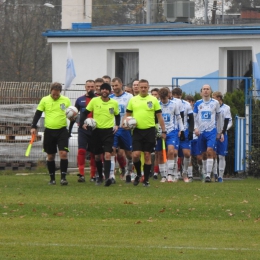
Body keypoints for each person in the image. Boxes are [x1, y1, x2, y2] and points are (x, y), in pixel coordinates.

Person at [123, 79, 167, 187]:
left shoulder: (153, 100)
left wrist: (164, 130)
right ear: (137, 87)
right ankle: (138, 174)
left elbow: (159, 116)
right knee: (135, 155)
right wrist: (124, 124)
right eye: (141, 87)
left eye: (145, 87)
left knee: (147, 155)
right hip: (137, 131)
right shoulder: (133, 100)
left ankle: (146, 180)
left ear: (148, 87)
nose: (143, 89)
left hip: (150, 131)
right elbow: (127, 114)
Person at [79, 83, 120, 187]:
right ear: (100, 91)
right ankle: (100, 177)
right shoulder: (94, 101)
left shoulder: (114, 103)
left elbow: (117, 115)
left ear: (110, 91)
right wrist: (82, 123)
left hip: (108, 132)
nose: (105, 91)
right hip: (96, 131)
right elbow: (84, 112)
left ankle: (107, 178)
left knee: (107, 154)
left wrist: (117, 125)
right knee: (97, 156)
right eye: (103, 89)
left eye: (107, 89)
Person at [30, 82, 72, 185]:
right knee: (50, 156)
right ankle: (52, 179)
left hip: (62, 130)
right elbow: (38, 113)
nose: (55, 96)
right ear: (50, 91)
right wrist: (33, 126)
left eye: (57, 94)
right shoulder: (44, 100)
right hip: (49, 131)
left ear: (60, 93)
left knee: (63, 153)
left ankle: (63, 178)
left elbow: (70, 113)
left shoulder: (66, 100)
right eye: (54, 94)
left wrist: (72, 118)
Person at [68, 80, 97, 183]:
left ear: (95, 87)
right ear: (85, 87)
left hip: (95, 130)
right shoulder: (80, 100)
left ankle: (93, 175)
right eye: (88, 86)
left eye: (92, 86)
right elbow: (73, 115)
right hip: (83, 129)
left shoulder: (98, 99)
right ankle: (81, 174)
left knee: (94, 153)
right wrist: (69, 131)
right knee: (81, 151)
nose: (90, 88)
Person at [193, 84, 222, 183]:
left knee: (210, 151)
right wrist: (195, 128)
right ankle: (204, 172)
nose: (205, 91)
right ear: (201, 92)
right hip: (201, 132)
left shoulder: (215, 103)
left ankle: (208, 175)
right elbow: (194, 118)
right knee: (203, 155)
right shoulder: (197, 103)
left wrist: (219, 131)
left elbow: (219, 118)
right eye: (204, 89)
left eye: (207, 89)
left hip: (212, 131)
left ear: (210, 91)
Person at [156, 87, 185, 183]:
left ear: (168, 96)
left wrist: (182, 129)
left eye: (164, 98)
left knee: (171, 151)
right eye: (161, 98)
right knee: (160, 153)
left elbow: (179, 118)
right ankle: (163, 175)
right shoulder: (157, 105)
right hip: (160, 131)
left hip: (172, 131)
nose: (163, 100)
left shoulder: (174, 105)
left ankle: (170, 174)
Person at [110, 77, 133, 183]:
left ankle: (128, 172)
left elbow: (132, 111)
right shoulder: (110, 98)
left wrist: (129, 123)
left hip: (125, 128)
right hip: (114, 128)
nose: (114, 88)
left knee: (128, 153)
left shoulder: (129, 97)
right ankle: (111, 175)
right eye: (113, 86)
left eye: (116, 85)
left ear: (121, 84)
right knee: (112, 150)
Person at [172, 87, 194, 182]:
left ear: (181, 96)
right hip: (174, 131)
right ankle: (175, 173)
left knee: (187, 154)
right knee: (174, 153)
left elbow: (191, 119)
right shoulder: (170, 104)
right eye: (174, 97)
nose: (176, 99)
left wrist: (190, 131)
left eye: (178, 97)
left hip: (184, 131)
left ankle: (185, 172)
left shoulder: (187, 105)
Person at [212, 91, 232, 182]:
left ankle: (221, 176)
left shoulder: (226, 108)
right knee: (213, 154)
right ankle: (214, 173)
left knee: (221, 155)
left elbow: (230, 121)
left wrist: (223, 131)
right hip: (212, 133)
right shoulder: (211, 106)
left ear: (219, 98)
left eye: (214, 97)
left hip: (222, 134)